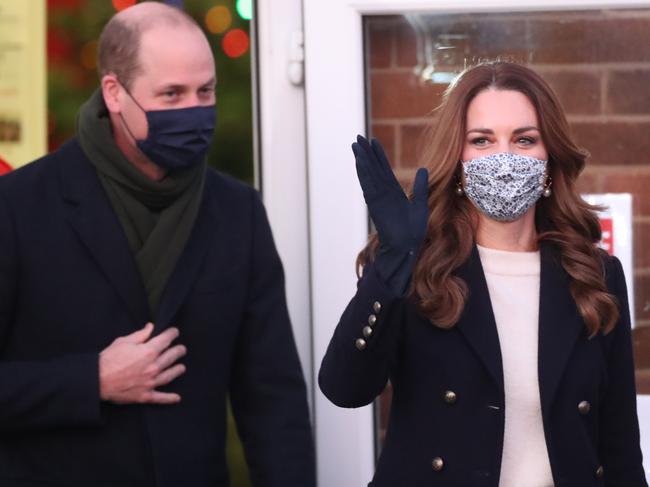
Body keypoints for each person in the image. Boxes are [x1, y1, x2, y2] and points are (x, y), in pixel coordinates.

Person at [0, 3, 315, 486]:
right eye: (171, 95)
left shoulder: (236, 213)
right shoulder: (19, 207)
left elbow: (273, 402)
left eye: (204, 91)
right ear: (114, 93)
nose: (193, 110)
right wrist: (92, 381)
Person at [319, 61, 647, 486]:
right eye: (482, 140)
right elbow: (345, 388)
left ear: (550, 160)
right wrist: (393, 266)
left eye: (524, 139)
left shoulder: (595, 275)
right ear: (458, 158)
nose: (505, 159)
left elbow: (619, 446)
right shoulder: (418, 267)